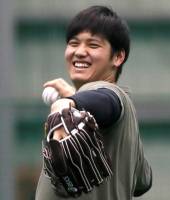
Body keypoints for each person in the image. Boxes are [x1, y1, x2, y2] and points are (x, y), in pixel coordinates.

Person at [35, 5, 152, 200]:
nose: (80, 51)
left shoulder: (106, 93)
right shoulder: (126, 118)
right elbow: (144, 181)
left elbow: (104, 100)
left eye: (93, 45)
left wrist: (65, 104)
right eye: (74, 43)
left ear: (118, 56)